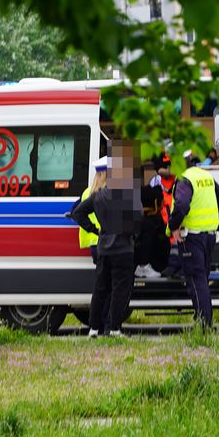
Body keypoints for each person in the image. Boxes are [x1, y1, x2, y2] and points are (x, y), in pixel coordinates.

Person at [68, 144, 142, 337]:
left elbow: (77, 213)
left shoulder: (97, 196)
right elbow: (139, 217)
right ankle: (115, 328)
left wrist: (95, 229)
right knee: (120, 290)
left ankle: (93, 328)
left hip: (104, 249)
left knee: (100, 289)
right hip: (124, 249)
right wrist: (132, 233)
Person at [168, 162, 219, 329]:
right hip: (208, 237)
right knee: (202, 279)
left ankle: (204, 325)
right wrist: (216, 225)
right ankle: (204, 321)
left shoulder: (184, 180)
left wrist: (173, 226)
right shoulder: (206, 176)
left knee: (196, 281)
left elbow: (181, 205)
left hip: (191, 238)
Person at [77, 157, 109, 263]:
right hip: (106, 241)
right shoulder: (106, 194)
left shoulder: (87, 192)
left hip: (94, 243)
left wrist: (93, 230)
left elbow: (75, 213)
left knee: (101, 276)